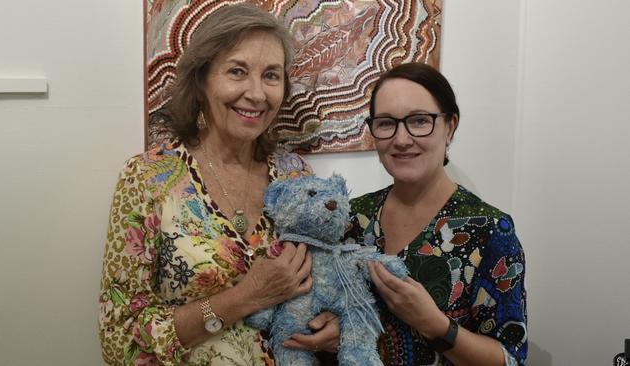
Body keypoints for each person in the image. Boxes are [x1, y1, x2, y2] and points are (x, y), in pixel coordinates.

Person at [98, 4, 338, 365]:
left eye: (271, 75)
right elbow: (120, 339)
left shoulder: (296, 176)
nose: (257, 94)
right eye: (237, 71)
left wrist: (333, 324)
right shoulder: (148, 179)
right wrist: (245, 298)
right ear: (202, 80)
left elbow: (325, 281)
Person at [346, 62, 527, 365]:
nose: (401, 139)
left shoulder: (490, 229)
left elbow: (509, 359)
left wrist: (434, 324)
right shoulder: (352, 217)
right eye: (386, 123)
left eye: (419, 121)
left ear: (450, 127)